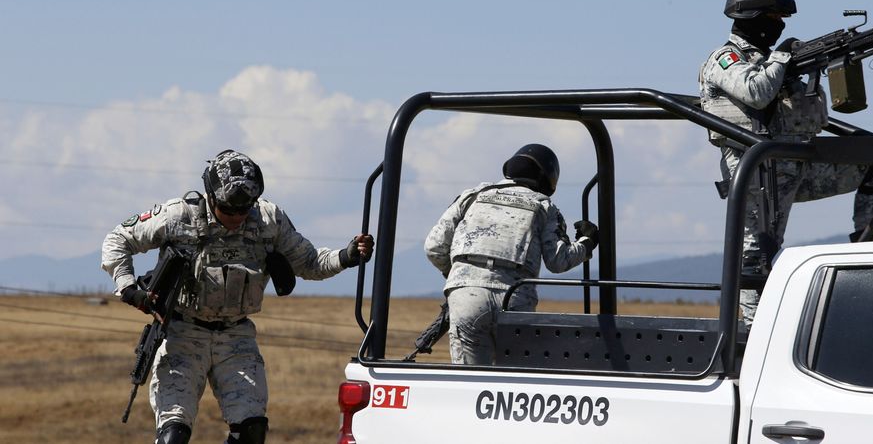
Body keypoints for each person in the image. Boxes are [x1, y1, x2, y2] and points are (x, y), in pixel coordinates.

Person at [101, 149, 374, 444]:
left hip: (236, 337)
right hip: (183, 333)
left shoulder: (269, 221)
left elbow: (309, 262)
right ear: (212, 197)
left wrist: (346, 256)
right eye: (228, 210)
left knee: (252, 431)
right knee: (174, 434)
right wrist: (130, 289)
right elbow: (118, 239)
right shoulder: (179, 216)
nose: (235, 218)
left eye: (243, 211)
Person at [698, 0, 873, 326]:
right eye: (774, 17)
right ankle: (749, 332)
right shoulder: (725, 58)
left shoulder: (777, 64)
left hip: (796, 169)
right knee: (757, 254)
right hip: (755, 174)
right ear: (752, 16)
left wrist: (812, 70)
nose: (781, 24)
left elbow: (814, 118)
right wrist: (783, 59)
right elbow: (756, 91)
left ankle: (865, 256)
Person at [424, 143, 598, 365]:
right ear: (548, 179)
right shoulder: (544, 205)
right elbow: (558, 261)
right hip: (515, 299)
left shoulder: (473, 196)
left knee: (470, 382)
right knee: (513, 381)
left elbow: (434, 247)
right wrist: (587, 242)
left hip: (467, 298)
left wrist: (461, 275)